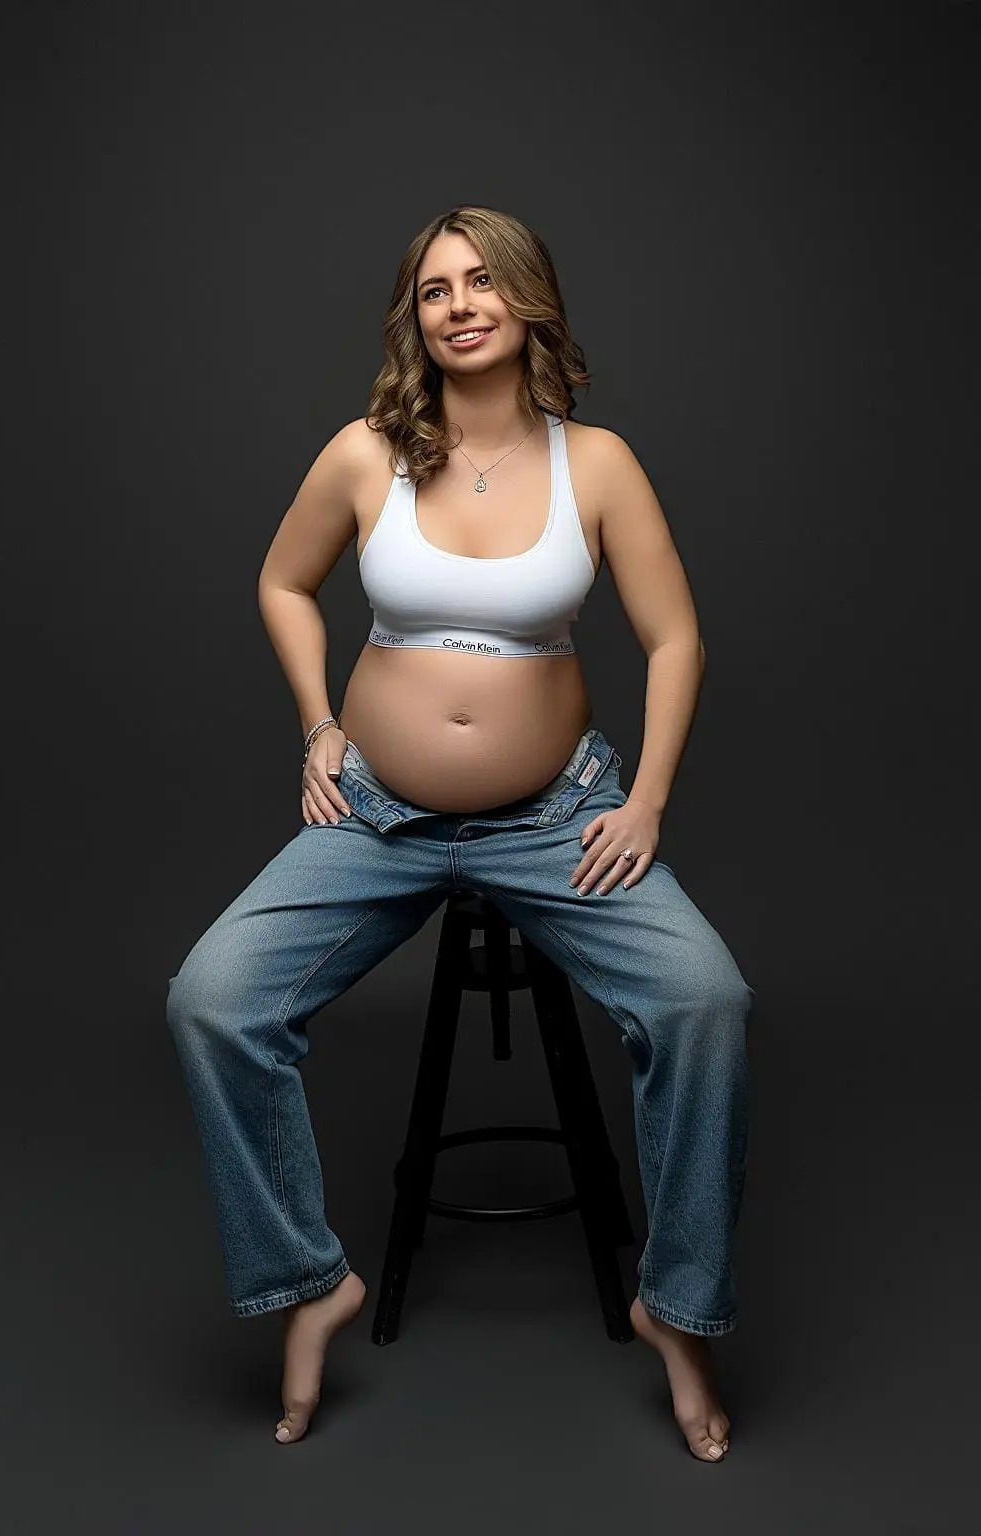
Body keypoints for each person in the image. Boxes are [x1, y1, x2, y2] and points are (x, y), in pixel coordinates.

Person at [164, 206, 751, 1462]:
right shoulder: (362, 455)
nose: (459, 304)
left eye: (482, 281)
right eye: (434, 289)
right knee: (211, 998)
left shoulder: (594, 464)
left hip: (558, 818)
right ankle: (305, 1280)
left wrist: (641, 802)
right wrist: (317, 725)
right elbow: (280, 582)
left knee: (703, 999)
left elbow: (675, 639)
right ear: (412, 318)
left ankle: (677, 1308)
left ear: (527, 300)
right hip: (374, 812)